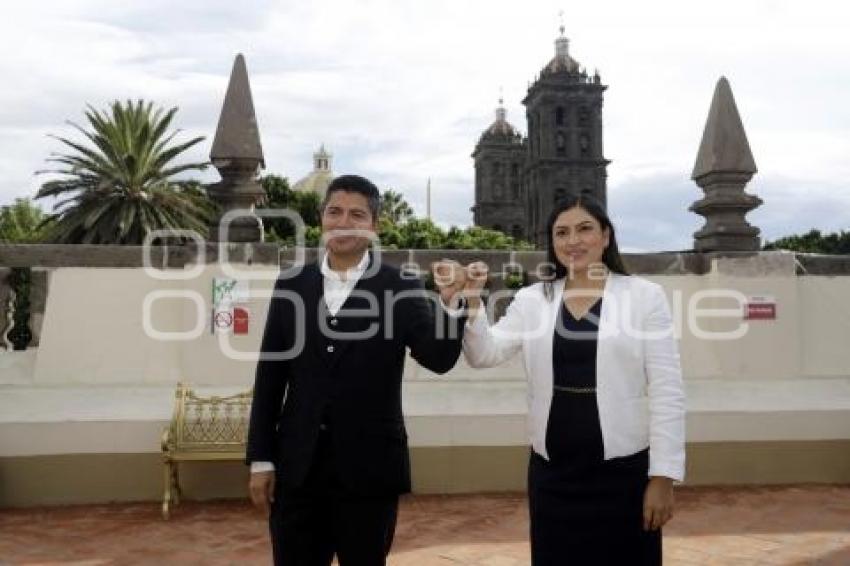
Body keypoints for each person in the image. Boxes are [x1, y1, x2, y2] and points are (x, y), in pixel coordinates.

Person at [246, 174, 467, 566]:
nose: (343, 222)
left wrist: (449, 305)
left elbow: (439, 358)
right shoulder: (292, 285)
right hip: (298, 470)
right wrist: (262, 459)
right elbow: (270, 377)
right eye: (334, 212)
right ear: (321, 218)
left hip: (370, 472)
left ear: (374, 226)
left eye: (356, 214)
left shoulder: (401, 286)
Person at [462, 195, 685, 565]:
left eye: (585, 229)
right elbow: (485, 353)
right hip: (553, 474)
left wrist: (663, 476)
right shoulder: (533, 299)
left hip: (624, 473)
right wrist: (472, 302)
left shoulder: (645, 298)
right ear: (551, 242)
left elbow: (667, 389)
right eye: (561, 232)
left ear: (606, 236)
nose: (573, 241)